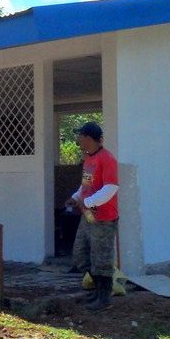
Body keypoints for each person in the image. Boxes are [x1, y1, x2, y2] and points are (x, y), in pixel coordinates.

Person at [65, 121, 119, 311]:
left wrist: (86, 202)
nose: (78, 139)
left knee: (101, 257)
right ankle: (97, 292)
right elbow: (86, 185)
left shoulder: (107, 159)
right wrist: (76, 197)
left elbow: (111, 188)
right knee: (81, 254)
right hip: (88, 215)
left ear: (88, 138)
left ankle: (104, 298)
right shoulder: (89, 159)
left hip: (103, 217)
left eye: (80, 136)